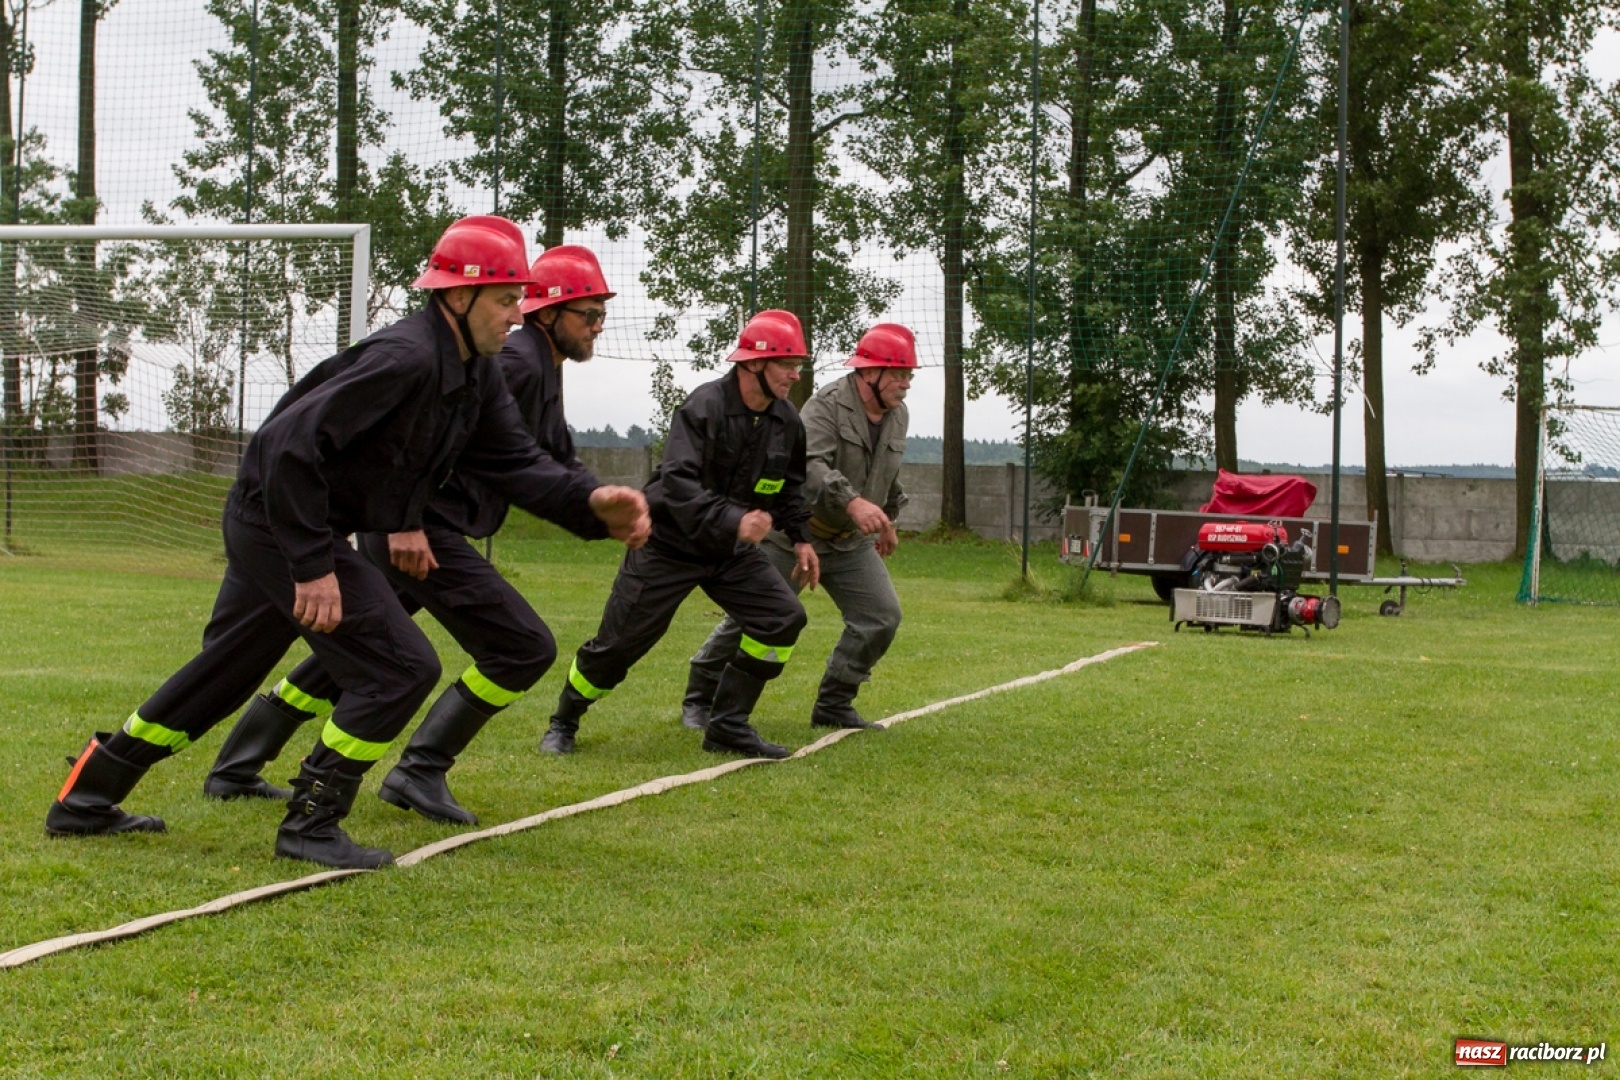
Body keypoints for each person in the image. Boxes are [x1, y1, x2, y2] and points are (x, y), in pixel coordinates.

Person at [44, 217, 649, 869]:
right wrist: (311, 566)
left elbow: (512, 461)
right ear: (457, 297)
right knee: (400, 667)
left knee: (226, 674)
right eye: (506, 300)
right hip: (279, 518)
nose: (516, 315)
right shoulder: (407, 357)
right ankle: (310, 822)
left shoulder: (479, 373)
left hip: (298, 521)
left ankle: (86, 798)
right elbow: (287, 447)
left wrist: (589, 506)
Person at [201, 244, 631, 829]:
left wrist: (593, 502)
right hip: (424, 531)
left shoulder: (539, 365)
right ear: (546, 312)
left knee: (352, 658)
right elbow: (423, 436)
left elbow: (545, 456)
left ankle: (238, 763)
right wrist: (408, 521)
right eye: (589, 313)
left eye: (602, 313)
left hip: (417, 528)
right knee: (520, 647)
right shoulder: (515, 362)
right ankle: (419, 770)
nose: (598, 327)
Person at [540, 309, 820, 761]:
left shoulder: (786, 421)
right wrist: (735, 520)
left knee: (782, 617)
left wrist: (802, 538)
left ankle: (728, 725)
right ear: (753, 364)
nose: (795, 374)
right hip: (668, 544)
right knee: (617, 648)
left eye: (797, 364)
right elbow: (678, 485)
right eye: (787, 363)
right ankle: (564, 721)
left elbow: (786, 486)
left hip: (728, 550)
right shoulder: (702, 407)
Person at [684, 323, 913, 732]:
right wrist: (853, 502)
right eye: (897, 374)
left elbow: (887, 472)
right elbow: (807, 468)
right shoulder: (824, 407)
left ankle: (835, 702)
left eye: (908, 375)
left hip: (850, 543)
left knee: (881, 617)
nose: (905, 384)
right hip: (793, 536)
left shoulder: (898, 415)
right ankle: (701, 696)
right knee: (753, 618)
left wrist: (887, 519)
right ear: (867, 374)